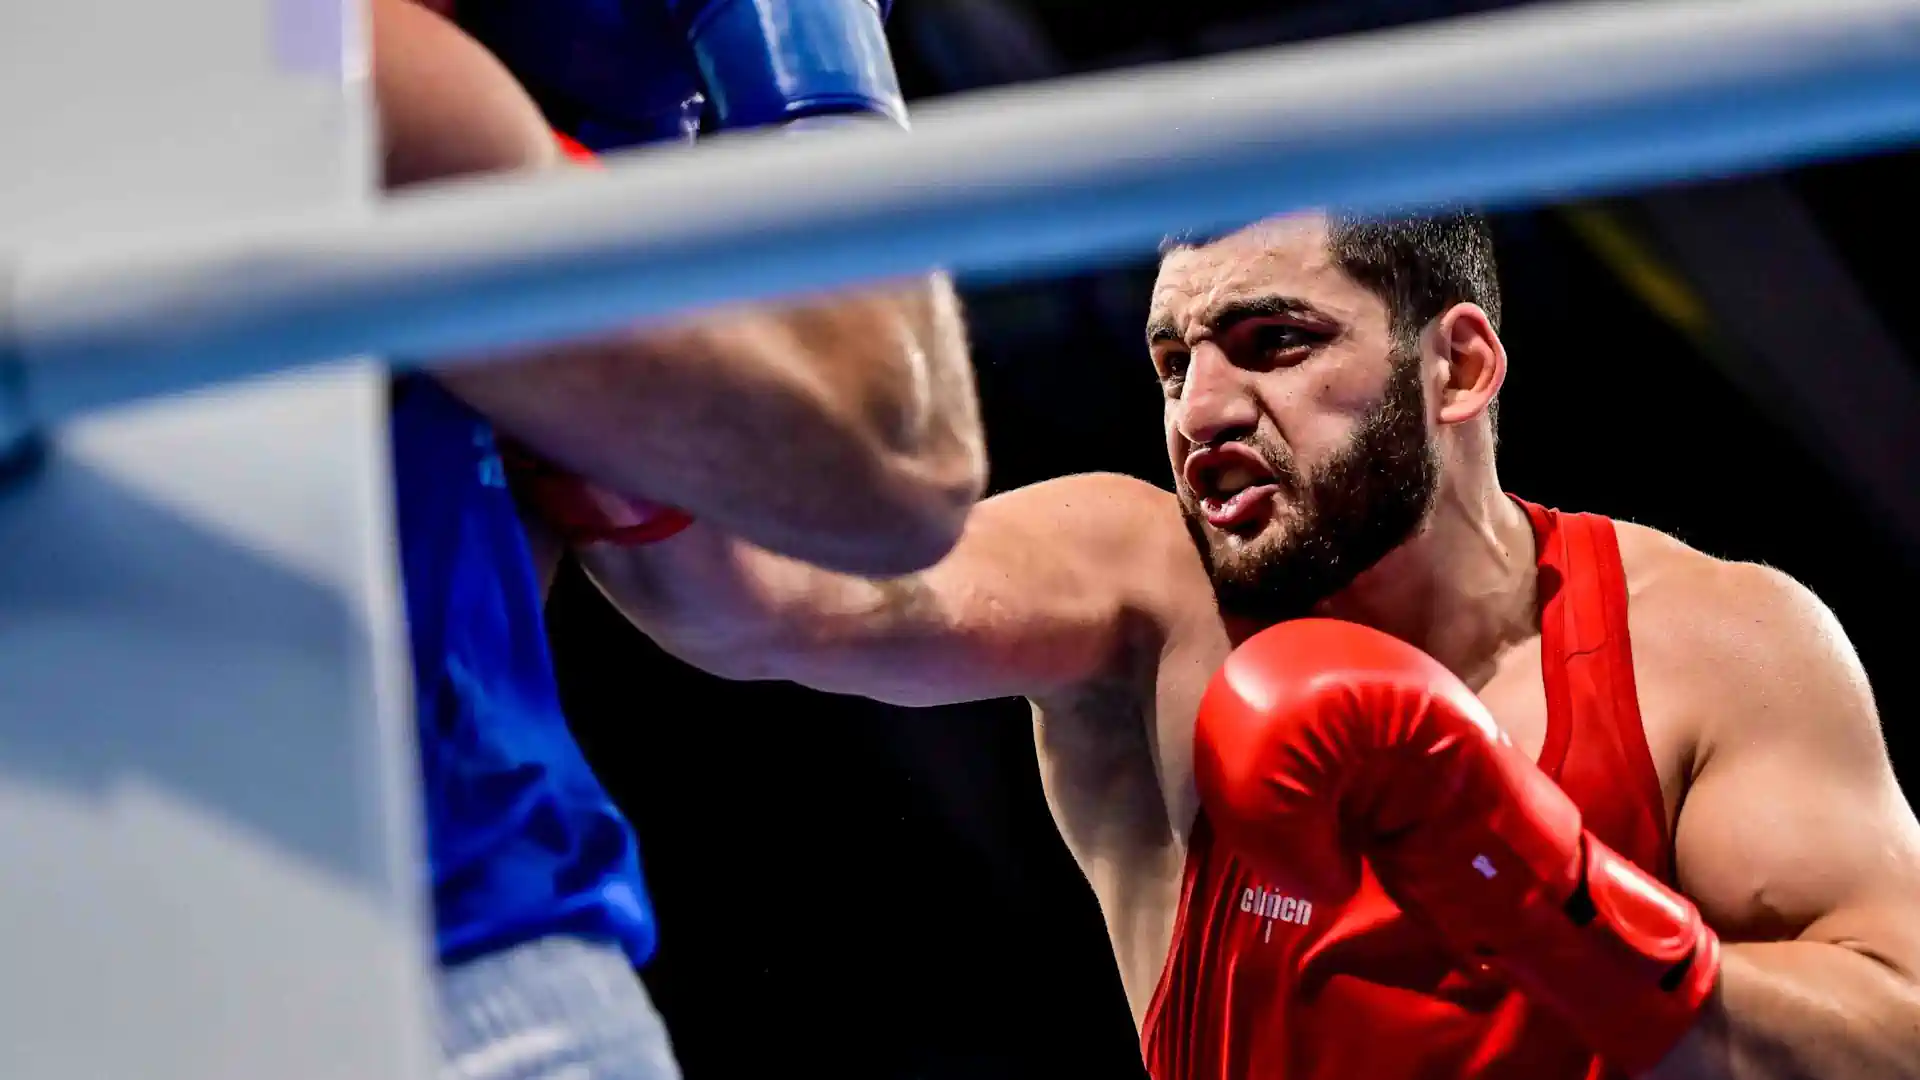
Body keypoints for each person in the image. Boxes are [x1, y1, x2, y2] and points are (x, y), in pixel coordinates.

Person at [583, 211, 1920, 1078]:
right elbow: (763, 600)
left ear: (1457, 369)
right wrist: (570, 306)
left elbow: (1893, 1035)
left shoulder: (1714, 640)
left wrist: (1548, 894)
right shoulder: (1142, 593)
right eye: (1173, 363)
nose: (1204, 407)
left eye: (1270, 340)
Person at [369, 0, 986, 1076]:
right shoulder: (360, 74)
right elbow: (900, 460)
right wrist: (818, 80)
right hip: (458, 960)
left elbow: (754, 597)